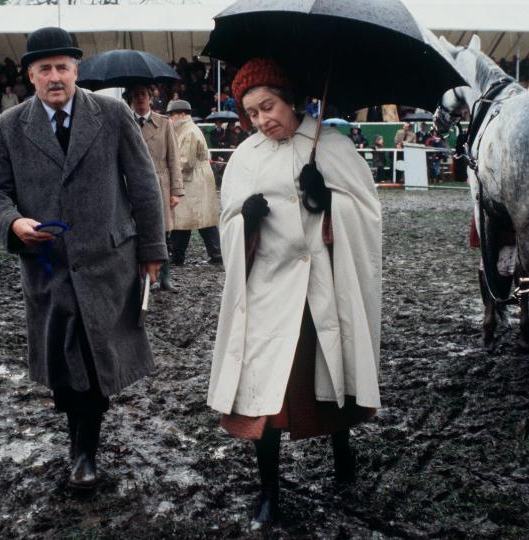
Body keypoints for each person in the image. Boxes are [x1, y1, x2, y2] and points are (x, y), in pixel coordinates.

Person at [0, 26, 167, 491]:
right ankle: (79, 447)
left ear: (76, 71)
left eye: (63, 67)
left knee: (95, 356)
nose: (55, 76)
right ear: (30, 76)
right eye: (45, 69)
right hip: (48, 267)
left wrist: (152, 251)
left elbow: (143, 185)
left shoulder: (112, 112)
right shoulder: (7, 127)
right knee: (66, 363)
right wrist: (14, 223)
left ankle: (85, 454)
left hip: (108, 262)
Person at [209, 58, 382, 530]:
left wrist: (330, 202)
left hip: (322, 287)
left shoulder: (333, 145)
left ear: (291, 100)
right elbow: (226, 223)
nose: (263, 120)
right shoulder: (246, 156)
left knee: (331, 376)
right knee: (268, 398)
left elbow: (368, 215)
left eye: (269, 106)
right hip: (269, 292)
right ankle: (269, 490)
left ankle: (342, 451)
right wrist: (245, 218)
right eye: (252, 113)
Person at [126, 83, 184, 292]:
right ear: (130, 100)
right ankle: (141, 278)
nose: (140, 98)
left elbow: (174, 158)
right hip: (131, 184)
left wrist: (176, 191)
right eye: (135, 95)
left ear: (150, 98)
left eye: (143, 94)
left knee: (163, 232)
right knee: (134, 231)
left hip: (161, 183)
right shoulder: (125, 123)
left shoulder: (165, 123)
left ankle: (165, 278)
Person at [165, 99, 222, 265]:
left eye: (172, 115)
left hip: (193, 179)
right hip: (196, 178)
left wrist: (169, 175)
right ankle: (215, 253)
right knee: (201, 219)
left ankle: (178, 255)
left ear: (182, 114)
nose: (170, 118)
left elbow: (185, 162)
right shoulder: (186, 129)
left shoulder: (188, 131)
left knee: (184, 219)